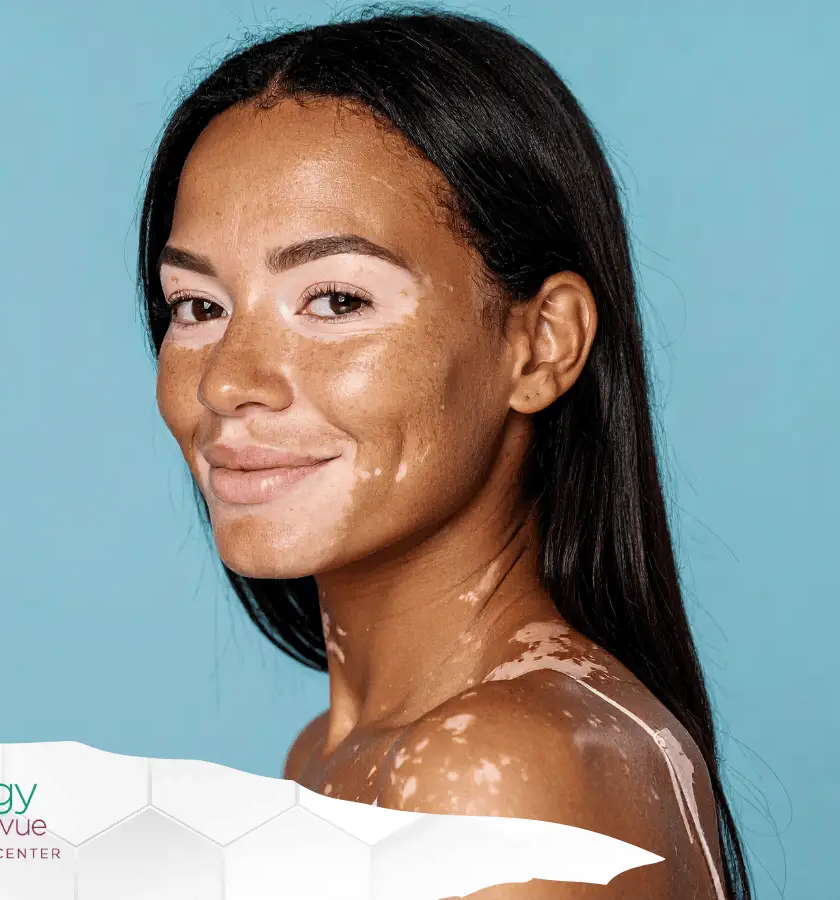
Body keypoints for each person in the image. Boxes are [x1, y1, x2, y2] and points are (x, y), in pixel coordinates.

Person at [136, 6, 750, 898]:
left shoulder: (484, 777)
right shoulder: (333, 756)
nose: (228, 382)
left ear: (541, 344)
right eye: (198, 307)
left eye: (337, 301)